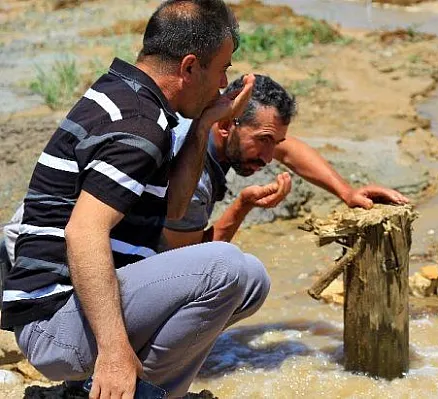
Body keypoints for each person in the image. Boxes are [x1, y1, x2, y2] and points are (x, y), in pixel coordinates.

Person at [1, 1, 266, 397]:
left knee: (252, 280)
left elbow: (173, 210)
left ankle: (118, 386)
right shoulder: (138, 124)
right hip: (53, 321)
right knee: (224, 266)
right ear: (190, 67)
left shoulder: (134, 98)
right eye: (223, 67)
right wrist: (113, 352)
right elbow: (84, 232)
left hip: (75, 306)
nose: (223, 82)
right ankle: (133, 389)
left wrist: (205, 124)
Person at [162, 74, 410, 248]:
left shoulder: (204, 119)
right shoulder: (192, 177)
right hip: (137, 273)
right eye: (264, 140)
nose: (269, 158)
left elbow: (289, 150)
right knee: (241, 276)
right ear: (227, 125)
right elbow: (190, 262)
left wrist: (347, 192)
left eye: (275, 143)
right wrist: (243, 205)